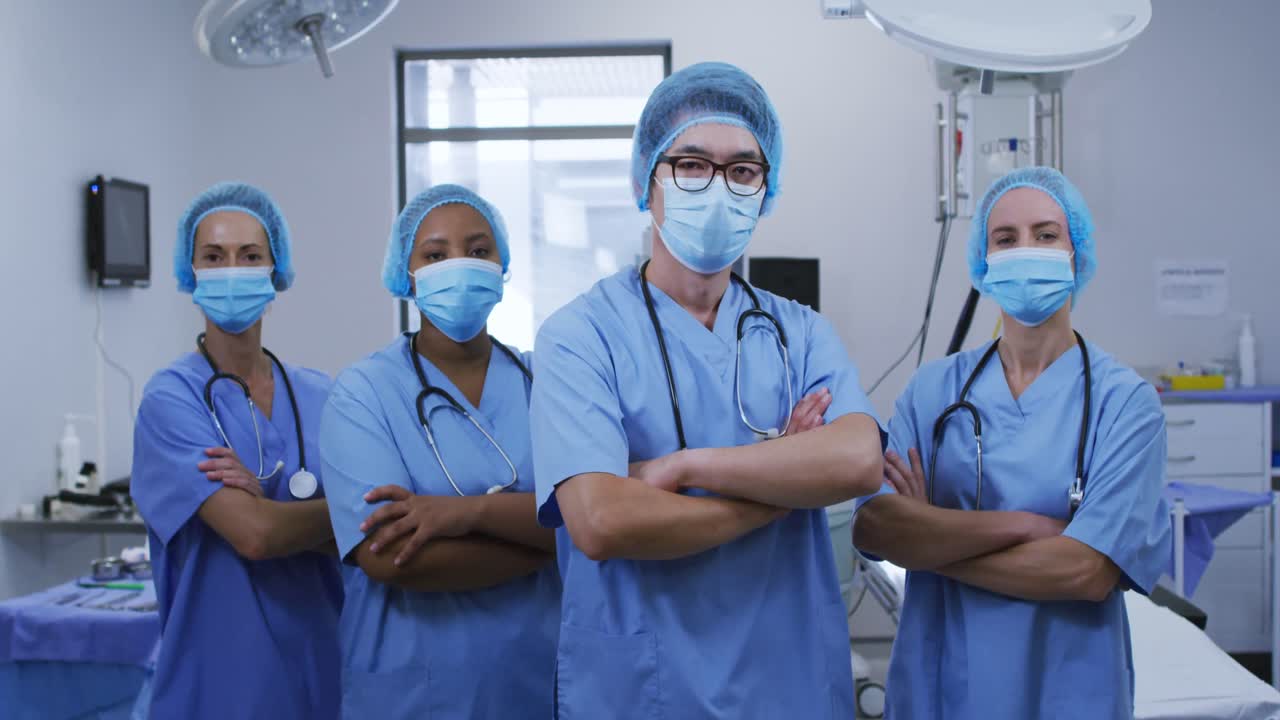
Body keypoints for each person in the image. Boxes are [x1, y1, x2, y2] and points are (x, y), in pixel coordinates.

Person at [530, 62, 885, 719]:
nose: (717, 187)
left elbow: (858, 460)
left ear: (765, 190)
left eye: (743, 171)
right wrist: (780, 494)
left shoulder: (799, 333)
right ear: (646, 181)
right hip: (644, 691)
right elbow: (602, 520)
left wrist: (684, 466)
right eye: (691, 164)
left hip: (790, 686)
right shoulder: (580, 335)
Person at [853, 166, 1172, 719]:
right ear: (983, 261)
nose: (1026, 249)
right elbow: (876, 528)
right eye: (1005, 238)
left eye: (1046, 235)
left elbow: (1085, 573)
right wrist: (1028, 527)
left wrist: (933, 542)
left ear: (1077, 253)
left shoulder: (1126, 405)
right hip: (941, 688)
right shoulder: (932, 391)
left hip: (1069, 694)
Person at [319, 184, 560, 719]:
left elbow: (594, 505)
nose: (460, 266)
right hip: (414, 695)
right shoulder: (364, 393)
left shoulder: (544, 381)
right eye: (435, 254)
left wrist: (465, 513)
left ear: (502, 265)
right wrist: (553, 542)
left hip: (536, 685)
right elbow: (391, 557)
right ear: (406, 275)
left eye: (478, 251)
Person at [131, 182, 342, 719]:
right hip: (218, 685)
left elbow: (373, 537)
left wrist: (269, 507)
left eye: (251, 256)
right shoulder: (171, 399)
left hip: (323, 674)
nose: (232, 269)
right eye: (213, 256)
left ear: (276, 272)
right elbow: (254, 535)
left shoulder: (321, 395)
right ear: (190, 273)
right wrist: (336, 513)